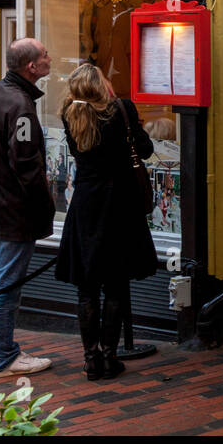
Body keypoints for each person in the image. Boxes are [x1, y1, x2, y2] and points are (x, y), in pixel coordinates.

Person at [57, 64, 157, 380]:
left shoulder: (69, 114)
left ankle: (91, 359)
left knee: (87, 289)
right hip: (120, 204)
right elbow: (145, 148)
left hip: (86, 204)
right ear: (102, 86)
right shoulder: (122, 110)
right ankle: (110, 356)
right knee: (115, 284)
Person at [0, 38, 56, 378]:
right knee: (5, 287)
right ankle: (3, 357)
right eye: (45, 55)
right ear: (31, 67)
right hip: (12, 212)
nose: (50, 57)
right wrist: (45, 205)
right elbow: (26, 165)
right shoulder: (20, 104)